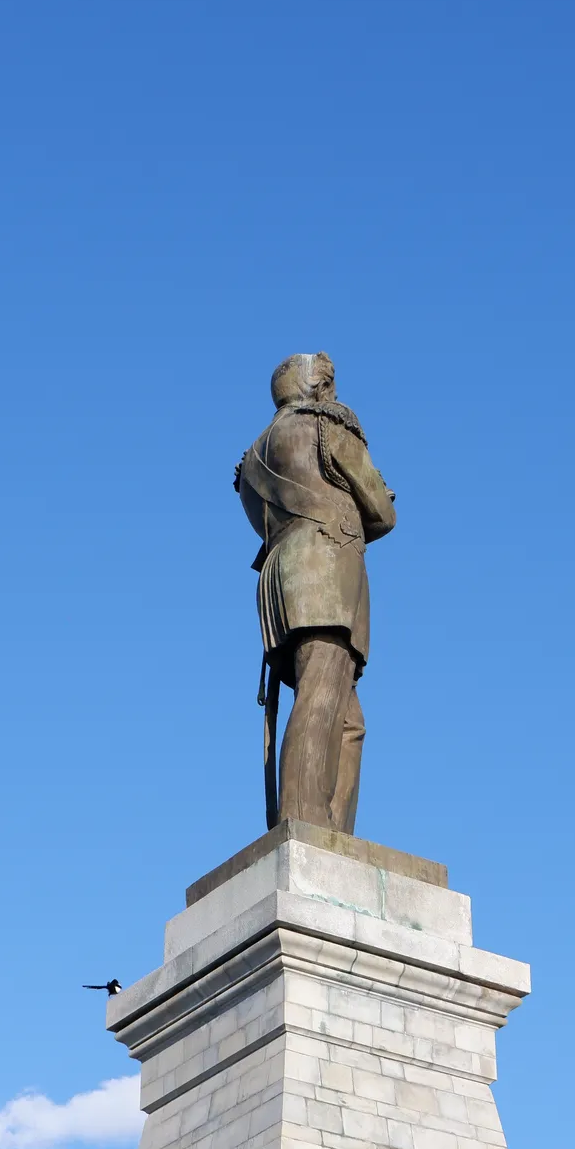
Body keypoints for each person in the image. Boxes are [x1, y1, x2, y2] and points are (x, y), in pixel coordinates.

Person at [235, 352, 396, 833]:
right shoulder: (325, 427)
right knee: (323, 692)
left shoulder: (252, 459)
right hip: (325, 567)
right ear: (318, 389)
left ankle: (332, 828)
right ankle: (305, 823)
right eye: (329, 385)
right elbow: (383, 514)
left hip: (280, 578)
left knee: (347, 718)